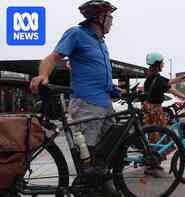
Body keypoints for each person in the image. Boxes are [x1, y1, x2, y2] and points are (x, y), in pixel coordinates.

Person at [30, 0, 121, 196]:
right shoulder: (77, 34)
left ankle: (99, 183)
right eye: (110, 17)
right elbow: (52, 57)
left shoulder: (101, 42)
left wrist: (112, 89)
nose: (112, 22)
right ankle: (85, 189)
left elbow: (96, 71)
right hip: (86, 103)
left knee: (109, 148)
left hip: (105, 103)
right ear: (99, 18)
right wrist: (44, 75)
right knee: (87, 153)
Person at [143, 52, 185, 177]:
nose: (163, 65)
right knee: (159, 136)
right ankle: (153, 164)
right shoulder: (157, 78)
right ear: (157, 64)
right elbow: (170, 86)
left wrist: (183, 91)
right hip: (155, 110)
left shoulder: (151, 77)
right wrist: (183, 83)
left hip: (149, 109)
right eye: (162, 63)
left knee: (155, 136)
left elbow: (169, 86)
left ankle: (153, 162)